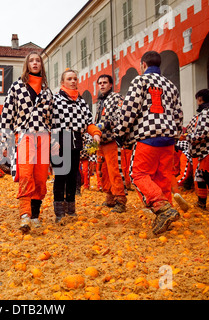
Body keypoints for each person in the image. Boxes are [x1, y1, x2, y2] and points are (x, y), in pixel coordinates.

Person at [113, 51, 183, 235]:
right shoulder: (170, 85)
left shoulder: (140, 81)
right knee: (163, 178)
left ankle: (162, 208)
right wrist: (175, 135)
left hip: (148, 136)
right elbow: (178, 114)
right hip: (168, 138)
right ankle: (167, 218)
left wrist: (120, 131)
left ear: (143, 64)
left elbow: (129, 109)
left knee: (138, 175)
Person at [0, 51, 53, 232]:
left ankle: (35, 215)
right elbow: (7, 114)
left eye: (38, 60)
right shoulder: (16, 87)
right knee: (25, 174)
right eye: (31, 60)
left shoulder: (47, 91)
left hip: (44, 137)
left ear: (41, 65)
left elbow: (52, 119)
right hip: (24, 135)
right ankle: (24, 215)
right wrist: (5, 142)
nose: (35, 63)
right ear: (27, 65)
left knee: (40, 177)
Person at [51, 69, 101, 223]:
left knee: (73, 176)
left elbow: (88, 122)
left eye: (75, 79)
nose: (73, 81)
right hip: (60, 140)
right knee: (61, 177)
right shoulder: (55, 100)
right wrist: (53, 141)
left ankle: (70, 208)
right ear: (62, 82)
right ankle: (59, 211)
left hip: (76, 141)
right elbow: (48, 122)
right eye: (69, 79)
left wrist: (96, 133)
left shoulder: (81, 102)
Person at [95, 74, 127, 213]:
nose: (102, 85)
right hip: (101, 141)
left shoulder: (117, 98)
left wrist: (104, 125)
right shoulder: (100, 101)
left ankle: (120, 200)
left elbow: (121, 116)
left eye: (104, 82)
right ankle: (110, 198)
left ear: (110, 85)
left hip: (113, 140)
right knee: (103, 171)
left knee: (115, 170)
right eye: (100, 83)